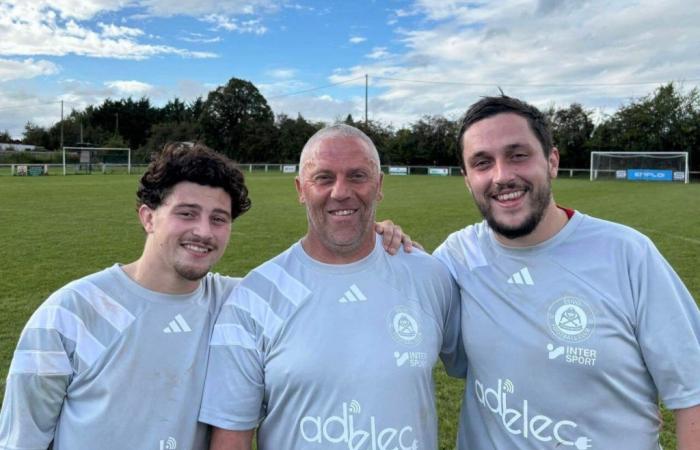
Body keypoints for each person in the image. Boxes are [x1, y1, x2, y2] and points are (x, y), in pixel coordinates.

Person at [0, 142, 412, 450]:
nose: (203, 232)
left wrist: (375, 232)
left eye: (219, 219)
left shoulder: (240, 302)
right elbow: (22, 438)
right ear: (148, 216)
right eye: (186, 213)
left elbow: (324, 273)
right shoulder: (70, 315)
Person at [433, 95, 700, 449]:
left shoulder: (626, 253)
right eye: (483, 163)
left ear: (552, 161)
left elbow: (693, 391)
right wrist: (382, 237)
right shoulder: (456, 257)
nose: (502, 176)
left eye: (518, 155)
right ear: (468, 179)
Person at [199, 124, 464, 450]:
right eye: (323, 178)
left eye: (357, 176)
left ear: (379, 185)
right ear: (300, 189)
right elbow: (230, 440)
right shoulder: (254, 297)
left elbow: (495, 362)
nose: (340, 191)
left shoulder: (429, 276)